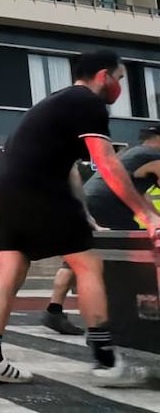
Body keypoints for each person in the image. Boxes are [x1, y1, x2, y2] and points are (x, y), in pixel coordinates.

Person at [0, 50, 160, 386]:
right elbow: (106, 162)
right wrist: (147, 213)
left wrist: (84, 212)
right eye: (119, 79)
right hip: (39, 190)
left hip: (3, 192)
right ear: (103, 75)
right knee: (88, 265)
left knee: (9, 272)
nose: (119, 87)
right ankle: (107, 362)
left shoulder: (50, 104)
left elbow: (70, 169)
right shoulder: (88, 103)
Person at [43, 125, 160, 336]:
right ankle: (138, 306)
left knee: (76, 258)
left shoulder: (131, 153)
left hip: (86, 204)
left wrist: (154, 217)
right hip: (109, 206)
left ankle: (54, 310)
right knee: (140, 250)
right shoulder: (152, 155)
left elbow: (139, 195)